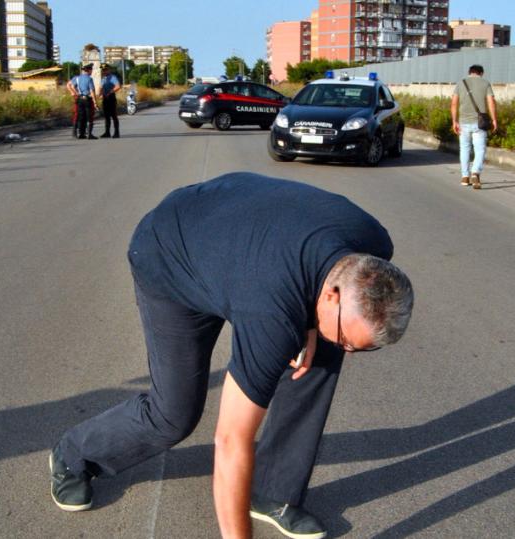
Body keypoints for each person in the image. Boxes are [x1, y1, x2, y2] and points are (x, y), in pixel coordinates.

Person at [49, 172, 414, 539]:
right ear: (332, 295)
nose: (349, 351)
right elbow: (230, 440)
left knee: (320, 361)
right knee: (173, 414)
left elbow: (312, 279)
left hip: (244, 245)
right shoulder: (271, 314)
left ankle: (273, 493)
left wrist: (315, 329)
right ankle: (73, 455)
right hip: (172, 252)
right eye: (348, 341)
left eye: (363, 349)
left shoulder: (373, 243)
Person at [451, 64, 498, 190]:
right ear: (481, 73)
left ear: (469, 72)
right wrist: (494, 119)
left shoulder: (461, 83)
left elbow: (454, 103)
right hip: (480, 123)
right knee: (480, 149)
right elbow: (491, 102)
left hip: (463, 122)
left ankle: (465, 177)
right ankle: (475, 172)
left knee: (465, 149)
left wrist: (454, 121)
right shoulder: (485, 83)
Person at [67, 63, 98, 140]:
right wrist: (95, 102)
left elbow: (69, 85)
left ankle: (80, 134)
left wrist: (74, 92)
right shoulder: (89, 79)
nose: (92, 71)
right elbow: (92, 91)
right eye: (91, 70)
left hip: (79, 99)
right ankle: (89, 134)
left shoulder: (77, 78)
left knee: (80, 116)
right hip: (87, 99)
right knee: (89, 116)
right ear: (88, 70)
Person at [98, 63, 122, 138]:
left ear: (109, 70)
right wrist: (100, 94)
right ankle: (107, 132)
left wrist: (110, 92)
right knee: (106, 116)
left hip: (111, 98)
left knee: (114, 115)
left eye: (105, 70)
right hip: (105, 98)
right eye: (103, 70)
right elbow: (101, 87)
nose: (104, 71)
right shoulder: (103, 79)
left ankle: (116, 132)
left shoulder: (112, 77)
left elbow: (118, 86)